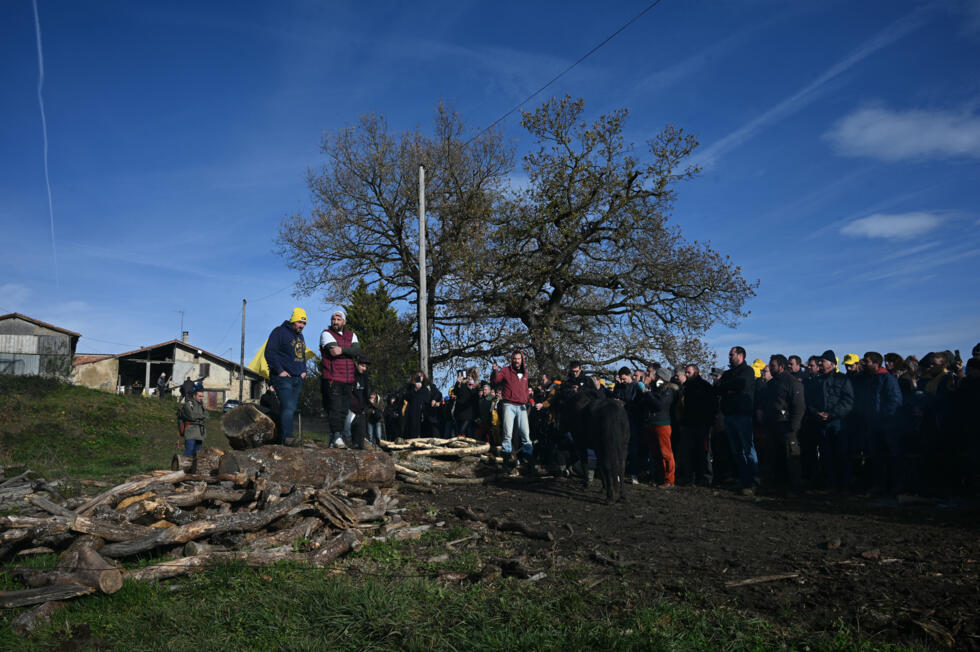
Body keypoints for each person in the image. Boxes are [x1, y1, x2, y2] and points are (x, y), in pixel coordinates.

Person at [803, 350, 854, 491]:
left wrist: (832, 414)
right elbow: (810, 401)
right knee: (826, 454)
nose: (820, 363)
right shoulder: (816, 381)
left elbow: (848, 401)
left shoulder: (842, 379)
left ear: (831, 363)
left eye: (823, 361)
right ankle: (829, 484)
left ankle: (844, 484)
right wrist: (816, 413)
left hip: (838, 423)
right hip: (821, 423)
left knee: (841, 454)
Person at [263, 307, 309, 445]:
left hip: (297, 378)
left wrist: (304, 371)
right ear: (293, 320)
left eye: (304, 323)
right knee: (288, 406)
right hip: (283, 377)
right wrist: (280, 371)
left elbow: (302, 354)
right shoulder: (279, 332)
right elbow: (269, 353)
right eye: (300, 322)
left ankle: (281, 439)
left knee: (290, 408)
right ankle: (288, 436)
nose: (302, 326)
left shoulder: (300, 336)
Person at [762, 355, 805, 495]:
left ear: (781, 367)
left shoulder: (792, 383)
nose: (770, 368)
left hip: (787, 426)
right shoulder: (772, 384)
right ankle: (777, 485)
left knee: (791, 458)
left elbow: (799, 406)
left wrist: (793, 426)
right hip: (772, 425)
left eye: (772, 365)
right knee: (773, 457)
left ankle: (795, 488)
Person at [717, 346, 758, 495]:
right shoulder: (729, 373)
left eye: (731, 354)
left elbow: (741, 384)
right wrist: (729, 387)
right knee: (736, 451)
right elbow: (720, 388)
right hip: (730, 415)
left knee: (747, 449)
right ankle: (743, 480)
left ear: (740, 355)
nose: (729, 357)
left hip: (743, 415)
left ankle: (752, 480)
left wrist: (727, 386)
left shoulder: (748, 371)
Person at [319, 309, 362, 449]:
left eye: (338, 319)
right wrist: (349, 350)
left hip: (348, 379)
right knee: (335, 408)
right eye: (333, 319)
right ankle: (336, 436)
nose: (335, 322)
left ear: (344, 321)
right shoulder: (326, 334)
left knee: (344, 409)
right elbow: (333, 351)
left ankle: (340, 437)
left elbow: (357, 350)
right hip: (333, 377)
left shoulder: (351, 334)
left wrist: (342, 350)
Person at [491, 351, 533, 472]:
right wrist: (494, 371)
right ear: (512, 359)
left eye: (518, 358)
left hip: (522, 406)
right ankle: (505, 464)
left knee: (526, 435)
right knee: (507, 434)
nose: (516, 361)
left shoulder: (525, 373)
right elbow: (496, 381)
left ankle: (529, 463)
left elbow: (525, 389)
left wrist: (527, 400)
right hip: (509, 404)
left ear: (522, 360)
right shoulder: (505, 370)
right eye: (514, 358)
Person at [640, 367, 677, 488]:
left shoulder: (668, 391)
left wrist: (648, 393)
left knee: (666, 453)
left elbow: (660, 405)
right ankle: (660, 478)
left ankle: (669, 479)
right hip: (652, 423)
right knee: (656, 453)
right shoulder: (657, 389)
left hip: (662, 424)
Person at [680, 364, 716, 486]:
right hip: (689, 423)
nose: (686, 374)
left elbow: (712, 404)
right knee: (689, 451)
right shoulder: (686, 387)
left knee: (703, 451)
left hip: (701, 424)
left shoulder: (704, 387)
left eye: (688, 372)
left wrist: (709, 421)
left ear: (696, 372)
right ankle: (691, 476)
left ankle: (705, 477)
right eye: (685, 372)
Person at [347, 354, 372, 449]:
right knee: (348, 431)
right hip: (350, 408)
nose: (364, 368)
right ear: (357, 364)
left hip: (361, 409)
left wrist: (366, 405)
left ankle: (361, 444)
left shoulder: (365, 376)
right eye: (362, 366)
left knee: (361, 432)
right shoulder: (351, 374)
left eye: (366, 366)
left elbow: (366, 391)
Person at [179, 384, 208, 457]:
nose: (201, 398)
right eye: (199, 396)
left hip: (200, 432)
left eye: (202, 396)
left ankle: (195, 468)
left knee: (198, 453)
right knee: (189, 450)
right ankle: (183, 466)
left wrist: (200, 417)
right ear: (194, 395)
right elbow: (192, 416)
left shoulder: (202, 406)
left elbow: (207, 417)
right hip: (190, 432)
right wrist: (202, 417)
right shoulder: (188, 404)